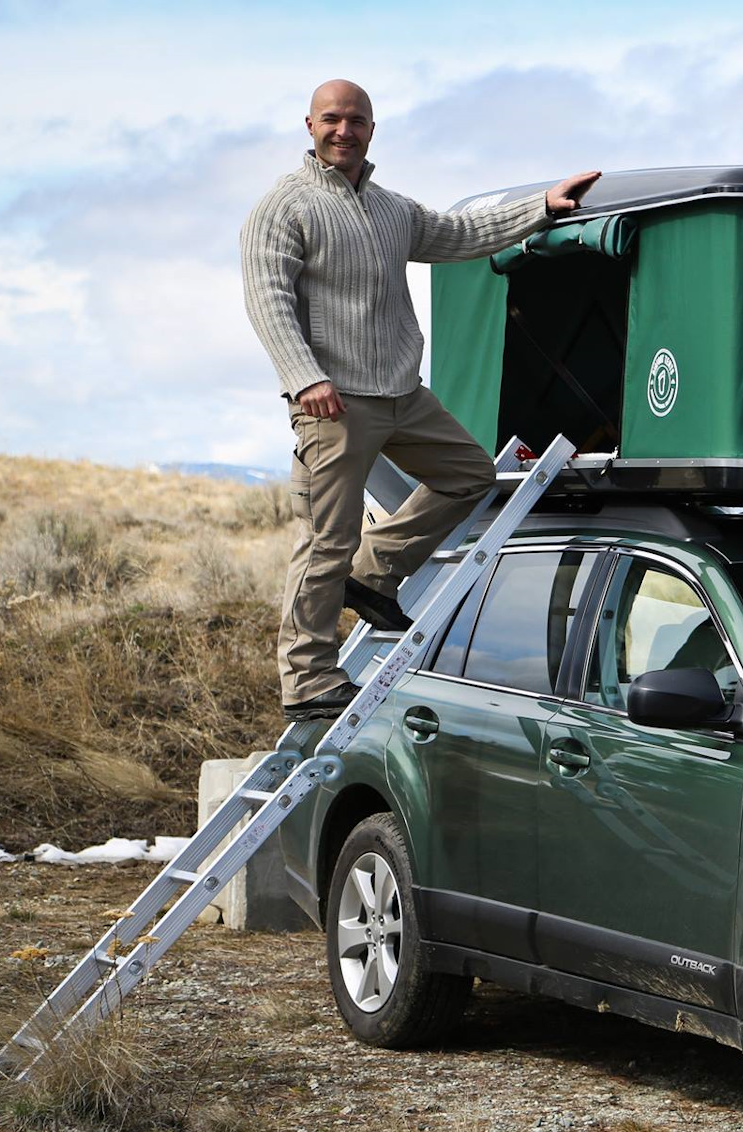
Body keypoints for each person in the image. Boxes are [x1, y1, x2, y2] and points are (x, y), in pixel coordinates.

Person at [241, 79, 599, 721]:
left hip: (402, 394)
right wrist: (306, 377)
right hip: (332, 402)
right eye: (332, 119)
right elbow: (267, 300)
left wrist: (542, 206)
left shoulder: (392, 210)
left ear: (371, 129)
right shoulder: (283, 207)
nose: (343, 130)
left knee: (469, 474)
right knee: (326, 538)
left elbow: (462, 233)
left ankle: (374, 574)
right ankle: (306, 679)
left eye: (356, 120)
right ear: (309, 125)